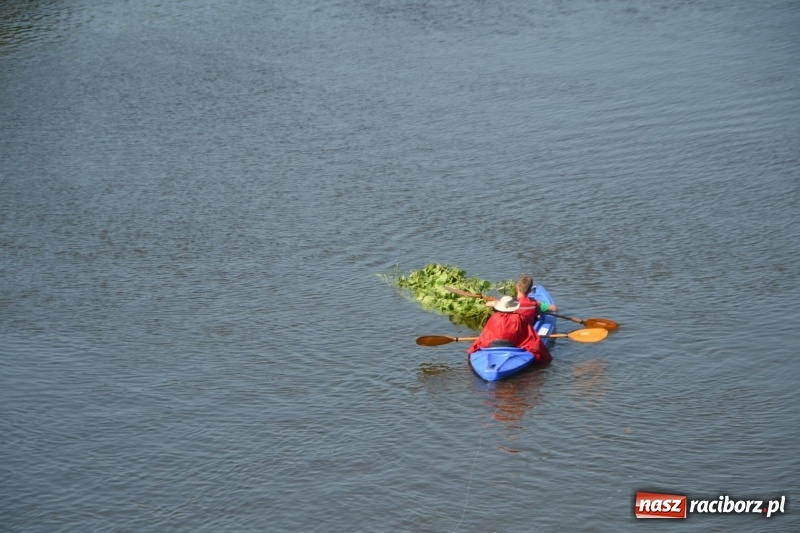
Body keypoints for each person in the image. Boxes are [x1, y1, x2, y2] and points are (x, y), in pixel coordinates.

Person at [467, 295, 552, 364]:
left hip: (493, 345)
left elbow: (487, 333)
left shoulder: (494, 317)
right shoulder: (519, 318)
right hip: (512, 345)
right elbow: (528, 335)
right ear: (513, 307)